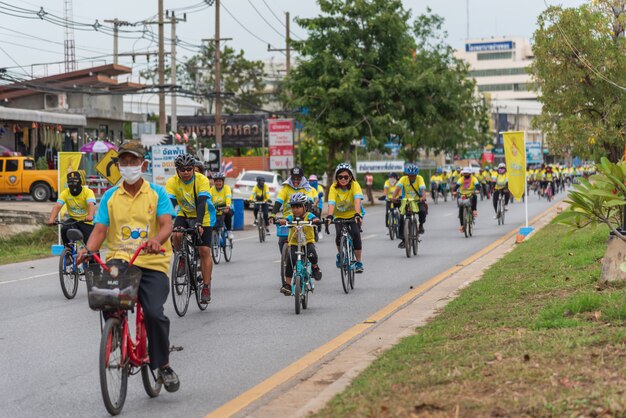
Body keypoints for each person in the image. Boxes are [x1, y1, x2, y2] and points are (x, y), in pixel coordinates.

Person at [77, 140, 180, 392]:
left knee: (154, 313)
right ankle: (113, 335)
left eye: (133, 161)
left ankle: (163, 364)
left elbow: (167, 225)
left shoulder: (157, 193)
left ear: (142, 164)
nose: (128, 166)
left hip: (152, 261)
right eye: (124, 161)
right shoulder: (110, 196)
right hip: (120, 260)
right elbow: (100, 230)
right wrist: (87, 250)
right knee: (106, 295)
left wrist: (156, 241)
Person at [166, 153, 216, 303]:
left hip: (203, 216)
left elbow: (201, 202)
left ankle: (206, 287)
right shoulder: (172, 182)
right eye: (182, 169)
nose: (186, 172)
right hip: (184, 213)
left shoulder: (202, 179)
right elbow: (170, 204)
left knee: (204, 250)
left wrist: (199, 223)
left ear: (194, 169)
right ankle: (181, 258)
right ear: (177, 171)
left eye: (189, 169)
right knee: (176, 234)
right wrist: (165, 223)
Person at [277, 192, 323, 295]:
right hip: (294, 242)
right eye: (293, 207)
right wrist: (283, 221)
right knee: (290, 261)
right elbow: (287, 219)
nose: (295, 210)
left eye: (298, 207)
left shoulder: (308, 215)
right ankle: (287, 285)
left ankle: (315, 267)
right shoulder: (291, 217)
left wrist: (315, 220)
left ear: (305, 207)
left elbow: (314, 218)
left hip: (307, 242)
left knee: (312, 254)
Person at [326, 162, 365, 273]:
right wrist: (329, 216)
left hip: (353, 215)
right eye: (340, 177)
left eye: (346, 177)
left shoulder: (355, 185)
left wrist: (357, 214)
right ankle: (341, 254)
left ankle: (358, 262)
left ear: (351, 177)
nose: (343, 179)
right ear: (336, 178)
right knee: (339, 234)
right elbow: (331, 203)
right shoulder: (333, 187)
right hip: (339, 216)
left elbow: (357, 200)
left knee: (356, 234)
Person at [47, 171, 97, 247]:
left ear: (80, 182)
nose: (73, 185)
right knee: (64, 229)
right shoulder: (65, 193)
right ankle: (68, 250)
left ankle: (93, 258)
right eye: (70, 183)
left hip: (86, 221)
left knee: (91, 247)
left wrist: (90, 215)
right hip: (73, 220)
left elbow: (91, 204)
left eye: (75, 183)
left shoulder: (88, 192)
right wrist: (51, 219)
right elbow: (57, 206)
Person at [270, 166, 314, 254]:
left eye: (298, 179)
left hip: (303, 218)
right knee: (282, 240)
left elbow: (309, 202)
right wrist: (273, 214)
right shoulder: (286, 188)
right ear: (290, 178)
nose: (296, 181)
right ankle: (285, 259)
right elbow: (279, 201)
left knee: (307, 243)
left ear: (302, 178)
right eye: (294, 178)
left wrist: (310, 217)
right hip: (288, 218)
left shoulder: (306, 188)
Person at [392, 163, 428, 249]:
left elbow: (422, 189)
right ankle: (403, 240)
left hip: (417, 200)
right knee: (401, 218)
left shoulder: (420, 178)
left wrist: (423, 197)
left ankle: (421, 225)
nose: (412, 177)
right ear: (407, 174)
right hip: (406, 201)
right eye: (410, 175)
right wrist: (393, 197)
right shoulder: (403, 179)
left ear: (416, 175)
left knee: (422, 211)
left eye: (413, 176)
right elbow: (397, 189)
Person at [455, 167, 480, 233]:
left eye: (467, 173)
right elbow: (457, 185)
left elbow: (477, 184)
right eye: (464, 173)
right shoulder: (461, 179)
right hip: (462, 195)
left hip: (470, 194)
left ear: (470, 173)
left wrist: (477, 189)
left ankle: (474, 210)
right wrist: (454, 191)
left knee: (474, 196)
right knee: (461, 210)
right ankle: (462, 226)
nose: (465, 174)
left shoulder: (473, 178)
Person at [209, 172, 234, 240]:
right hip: (216, 209)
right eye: (216, 181)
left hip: (226, 207)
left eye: (220, 181)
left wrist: (228, 206)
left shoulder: (226, 188)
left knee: (227, 214)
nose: (218, 183)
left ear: (223, 182)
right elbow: (209, 199)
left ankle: (229, 231)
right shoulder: (211, 189)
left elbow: (228, 196)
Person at [308, 174, 324, 239]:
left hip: (318, 205)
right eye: (310, 180)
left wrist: (317, 199)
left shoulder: (319, 187)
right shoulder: (307, 187)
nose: (312, 182)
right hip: (310, 205)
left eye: (313, 180)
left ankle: (319, 231)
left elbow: (321, 193)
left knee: (318, 218)